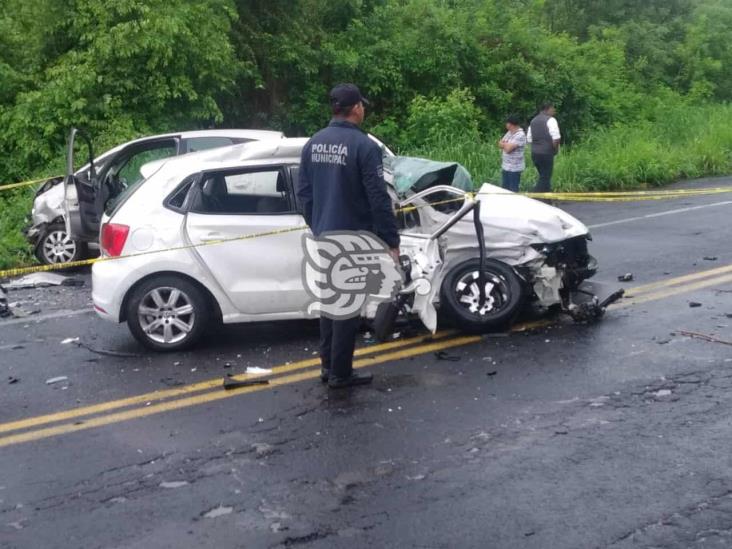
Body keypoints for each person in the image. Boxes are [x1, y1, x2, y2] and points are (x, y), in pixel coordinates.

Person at [296, 83, 400, 389]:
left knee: (330, 304)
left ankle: (328, 366)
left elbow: (303, 193)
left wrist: (318, 224)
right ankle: (341, 373)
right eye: (362, 105)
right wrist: (390, 240)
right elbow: (378, 198)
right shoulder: (365, 147)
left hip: (325, 235)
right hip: (354, 238)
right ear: (355, 108)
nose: (363, 109)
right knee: (348, 308)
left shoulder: (313, 143)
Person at [527, 102, 561, 193]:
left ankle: (547, 200)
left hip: (534, 153)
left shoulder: (533, 121)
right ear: (548, 109)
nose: (554, 110)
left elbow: (529, 139)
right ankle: (534, 195)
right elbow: (556, 138)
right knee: (545, 177)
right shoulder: (551, 120)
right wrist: (555, 149)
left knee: (543, 176)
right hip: (546, 153)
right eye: (553, 108)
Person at [497, 115, 526, 192]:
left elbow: (508, 149)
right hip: (506, 166)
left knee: (513, 189)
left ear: (510, 124)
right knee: (505, 188)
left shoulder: (520, 135)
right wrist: (505, 145)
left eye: (507, 123)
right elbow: (499, 143)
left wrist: (505, 145)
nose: (506, 125)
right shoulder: (509, 133)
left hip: (514, 167)